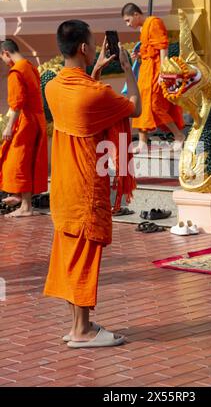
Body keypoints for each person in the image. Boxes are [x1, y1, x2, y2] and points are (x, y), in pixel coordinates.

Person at [43, 20, 141, 348]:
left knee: (70, 255)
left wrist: (93, 73)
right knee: (85, 257)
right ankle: (83, 332)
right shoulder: (96, 92)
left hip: (63, 187)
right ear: (85, 49)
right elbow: (136, 108)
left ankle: (76, 326)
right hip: (86, 186)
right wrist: (128, 70)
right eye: (93, 44)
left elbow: (81, 107)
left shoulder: (53, 88)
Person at [121, 3, 185, 153]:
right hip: (146, 71)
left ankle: (178, 135)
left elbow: (163, 47)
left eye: (128, 20)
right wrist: (139, 55)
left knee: (156, 106)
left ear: (136, 15)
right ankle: (142, 142)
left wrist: (164, 71)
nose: (128, 24)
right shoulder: (144, 28)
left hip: (156, 71)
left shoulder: (154, 22)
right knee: (141, 105)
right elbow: (149, 50)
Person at [0, 39, 48, 217]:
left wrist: (8, 127)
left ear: (6, 53)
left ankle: (26, 206)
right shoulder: (30, 66)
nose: (4, 62)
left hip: (26, 121)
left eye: (2, 58)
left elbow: (17, 104)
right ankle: (20, 197)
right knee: (27, 160)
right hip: (37, 119)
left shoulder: (16, 72)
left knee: (17, 161)